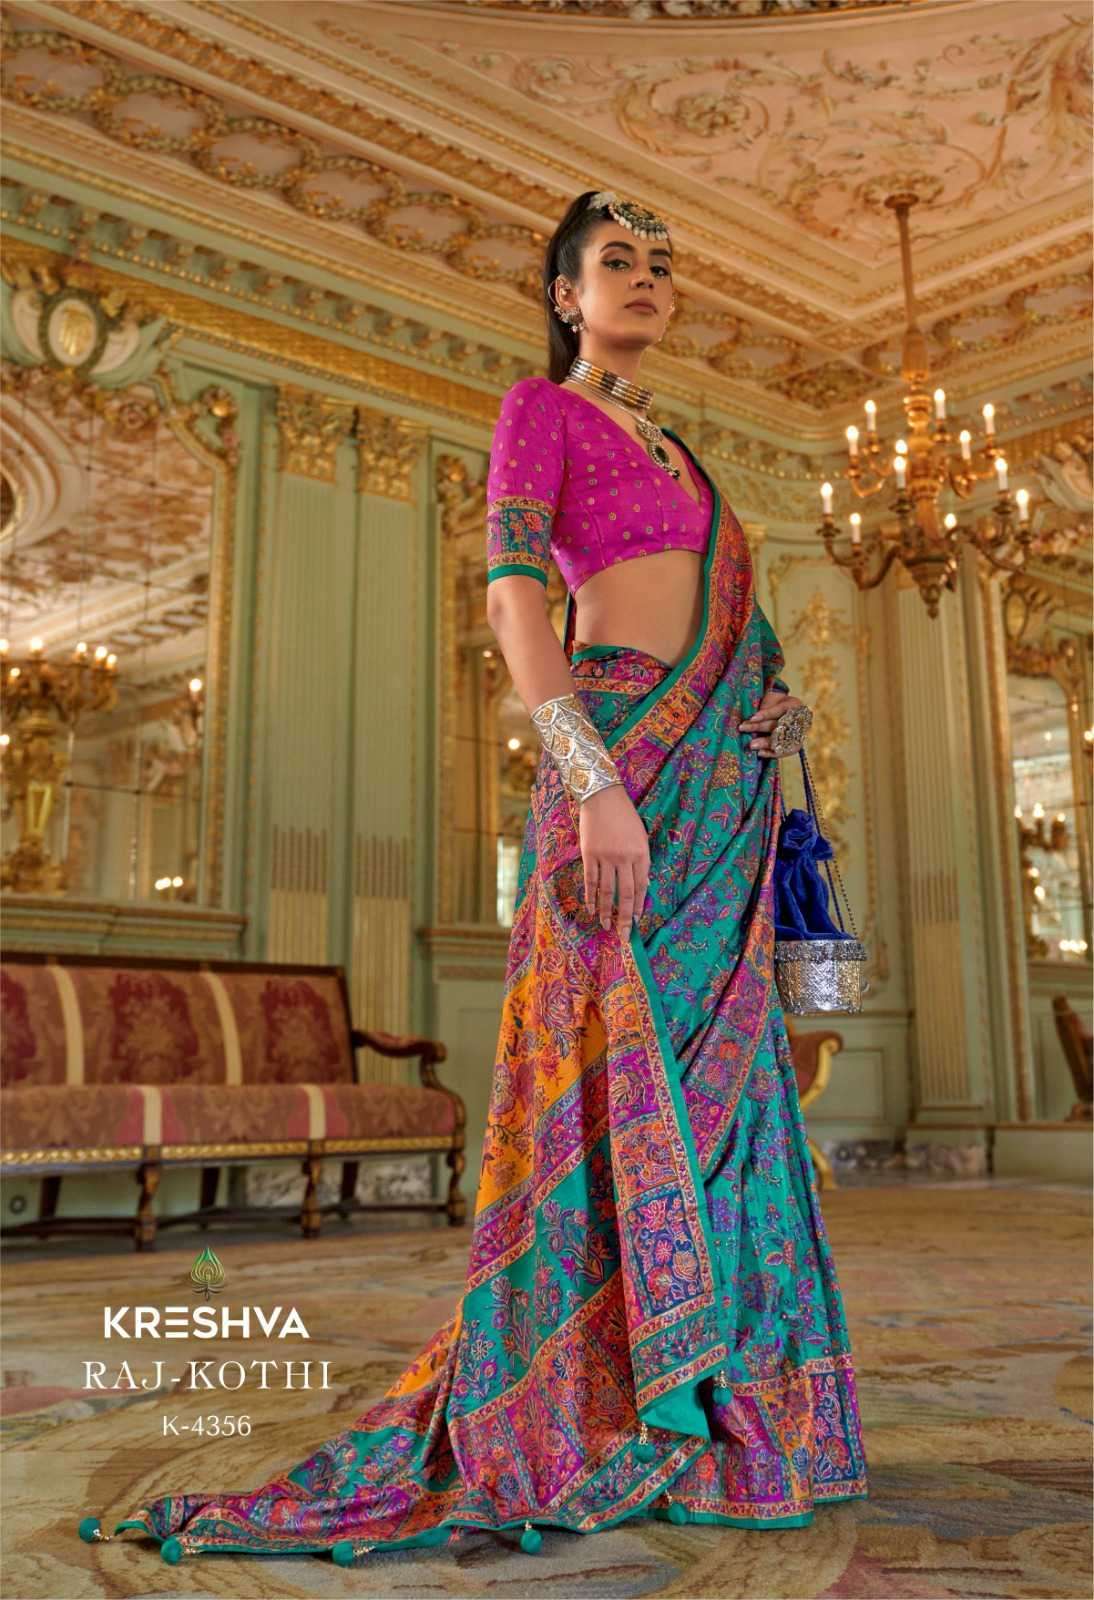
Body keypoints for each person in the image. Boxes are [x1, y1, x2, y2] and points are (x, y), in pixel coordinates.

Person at [78, 189, 867, 1568]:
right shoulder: (537, 410)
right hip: (614, 762)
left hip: (722, 791)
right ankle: (574, 1398)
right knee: (597, 1067)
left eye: (661, 264)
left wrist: (775, 711)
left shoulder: (689, 453)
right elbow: (513, 600)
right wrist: (591, 779)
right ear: (565, 294)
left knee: (723, 1091)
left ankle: (717, 1401)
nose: (645, 279)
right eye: (615, 262)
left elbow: (734, 630)